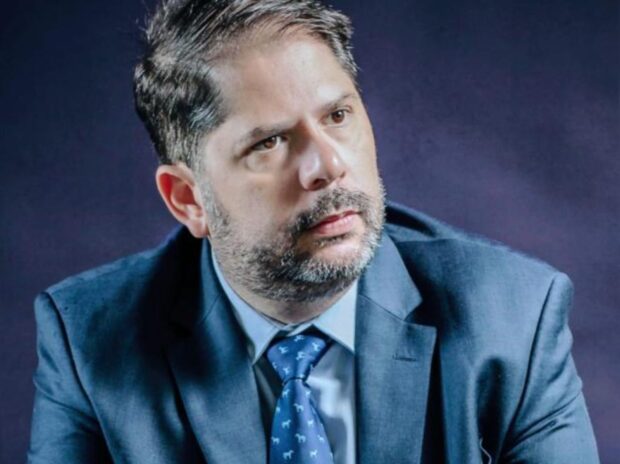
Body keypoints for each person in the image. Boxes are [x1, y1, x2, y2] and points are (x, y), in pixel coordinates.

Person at [28, 0, 600, 463]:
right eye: (269, 142)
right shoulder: (88, 342)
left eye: (337, 116)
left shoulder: (513, 316)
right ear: (189, 199)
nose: (328, 165)